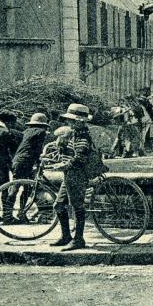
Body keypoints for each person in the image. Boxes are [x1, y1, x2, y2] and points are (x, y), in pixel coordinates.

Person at [51, 103, 107, 251]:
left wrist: (64, 165)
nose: (68, 123)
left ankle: (79, 239)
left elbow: (80, 158)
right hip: (70, 175)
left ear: (79, 121)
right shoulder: (74, 134)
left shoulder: (83, 137)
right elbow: (70, 153)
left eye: (71, 120)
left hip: (78, 175)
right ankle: (66, 236)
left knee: (77, 207)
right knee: (58, 205)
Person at [8, 112, 50, 222]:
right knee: (23, 188)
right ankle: (17, 213)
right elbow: (38, 150)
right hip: (26, 161)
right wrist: (40, 160)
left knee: (20, 187)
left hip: (17, 160)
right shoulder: (41, 132)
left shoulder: (25, 132)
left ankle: (11, 214)